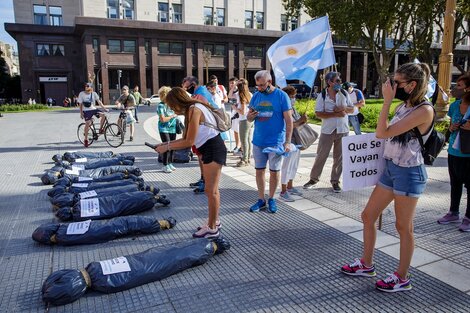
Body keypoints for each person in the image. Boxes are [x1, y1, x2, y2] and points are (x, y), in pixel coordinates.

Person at [340, 62, 434, 293]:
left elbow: (383, 132)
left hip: (409, 173)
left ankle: (402, 277)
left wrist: (387, 101)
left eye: (397, 82)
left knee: (403, 227)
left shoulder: (424, 110)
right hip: (392, 169)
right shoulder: (406, 106)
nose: (392, 86)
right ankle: (366, 263)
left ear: (411, 85)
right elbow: (385, 134)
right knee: (368, 215)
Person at [154, 87, 227, 238]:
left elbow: (189, 141)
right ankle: (214, 221)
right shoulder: (191, 109)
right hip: (209, 148)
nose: (173, 109)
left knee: (211, 191)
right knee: (211, 190)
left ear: (178, 101)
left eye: (173, 106)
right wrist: (164, 146)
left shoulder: (194, 109)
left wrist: (166, 146)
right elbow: (185, 139)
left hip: (213, 148)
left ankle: (212, 228)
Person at [247, 70, 293, 213]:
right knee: (259, 171)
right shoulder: (256, 96)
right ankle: (261, 200)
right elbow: (248, 118)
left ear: (270, 82)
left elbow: (289, 121)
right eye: (257, 86)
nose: (259, 88)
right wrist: (250, 116)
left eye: (261, 85)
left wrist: (287, 142)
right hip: (259, 141)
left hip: (276, 142)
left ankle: (272, 198)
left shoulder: (282, 96)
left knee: (274, 171)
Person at [303, 72, 354, 193]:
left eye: (339, 80)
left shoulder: (344, 93)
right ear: (330, 82)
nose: (339, 82)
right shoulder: (323, 95)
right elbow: (318, 113)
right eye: (337, 80)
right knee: (321, 155)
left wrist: (343, 109)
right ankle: (314, 179)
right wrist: (335, 114)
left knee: (339, 158)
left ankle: (335, 181)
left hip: (343, 129)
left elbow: (352, 109)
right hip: (328, 130)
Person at [437, 74, 470, 231]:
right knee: (455, 183)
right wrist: (452, 128)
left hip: (468, 153)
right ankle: (453, 212)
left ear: (468, 89)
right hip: (454, 152)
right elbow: (450, 126)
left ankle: (468, 218)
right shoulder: (455, 106)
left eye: (459, 86)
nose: (455, 89)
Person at [182, 76, 218, 193]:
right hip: (201, 132)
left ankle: (205, 182)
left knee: (203, 157)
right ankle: (203, 179)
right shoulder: (198, 92)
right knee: (200, 157)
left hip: (205, 132)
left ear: (193, 84)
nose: (186, 89)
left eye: (187, 86)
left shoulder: (200, 94)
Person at [279, 86, 307, 202]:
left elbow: (296, 122)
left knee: (294, 164)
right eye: (291, 97)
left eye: (294, 96)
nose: (293, 99)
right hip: (288, 141)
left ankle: (290, 186)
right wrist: (301, 121)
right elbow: (288, 125)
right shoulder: (283, 109)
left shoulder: (292, 108)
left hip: (297, 140)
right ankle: (283, 190)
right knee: (287, 165)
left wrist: (302, 119)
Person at [78, 82, 108, 147]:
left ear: (91, 88)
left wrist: (104, 108)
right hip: (86, 111)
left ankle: (100, 129)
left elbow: (99, 102)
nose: (86, 87)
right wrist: (81, 113)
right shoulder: (81, 94)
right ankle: (86, 139)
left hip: (93, 109)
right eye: (86, 86)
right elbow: (80, 104)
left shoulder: (94, 94)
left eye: (88, 86)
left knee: (103, 115)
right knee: (88, 123)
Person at [157, 86, 178, 173]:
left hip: (173, 128)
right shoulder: (161, 106)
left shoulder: (171, 105)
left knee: (172, 147)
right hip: (164, 128)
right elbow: (163, 119)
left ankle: (170, 163)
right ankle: (165, 165)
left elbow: (178, 111)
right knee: (167, 147)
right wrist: (172, 116)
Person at [234, 78, 253, 167]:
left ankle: (244, 159)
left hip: (244, 119)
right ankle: (248, 158)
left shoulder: (241, 96)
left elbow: (242, 111)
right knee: (248, 139)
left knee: (243, 140)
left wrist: (235, 108)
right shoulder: (250, 94)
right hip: (250, 119)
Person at [228, 77, 241, 153]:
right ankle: (237, 145)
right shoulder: (232, 92)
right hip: (234, 114)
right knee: (235, 130)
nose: (231, 84)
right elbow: (229, 98)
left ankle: (241, 146)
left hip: (240, 114)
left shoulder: (240, 92)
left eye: (233, 83)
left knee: (240, 131)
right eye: (230, 83)